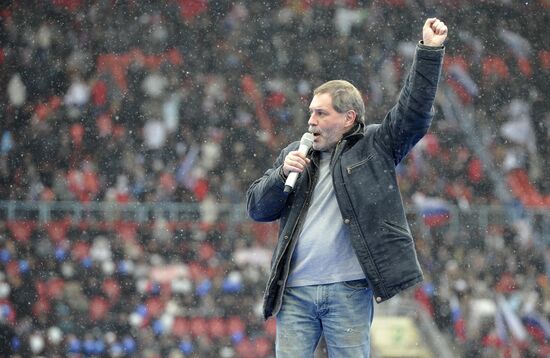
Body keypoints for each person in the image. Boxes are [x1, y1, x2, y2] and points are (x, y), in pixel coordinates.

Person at [246, 18, 448, 357]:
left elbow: (413, 114)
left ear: (349, 118)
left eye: (321, 114)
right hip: (294, 292)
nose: (311, 121)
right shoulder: (295, 155)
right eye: (311, 113)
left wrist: (429, 52)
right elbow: (256, 208)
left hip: (348, 289)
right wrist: (282, 174)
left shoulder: (375, 146)